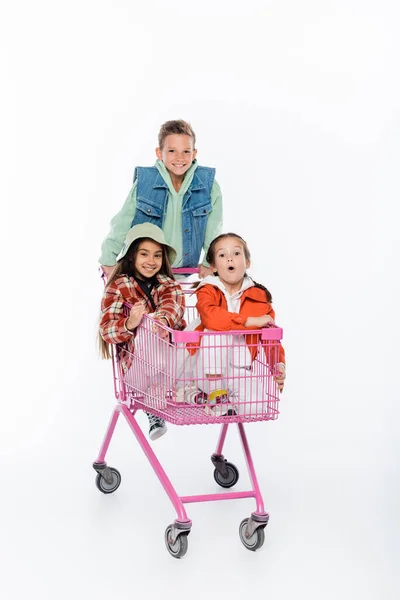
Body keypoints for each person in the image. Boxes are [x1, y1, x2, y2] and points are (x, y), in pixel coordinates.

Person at [99, 119, 223, 279]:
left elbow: (213, 229)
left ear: (194, 154)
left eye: (186, 151)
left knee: (173, 303)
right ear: (159, 153)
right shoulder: (145, 182)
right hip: (144, 272)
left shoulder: (208, 184)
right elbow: (123, 222)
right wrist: (108, 259)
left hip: (181, 273)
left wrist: (208, 262)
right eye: (172, 151)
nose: (180, 158)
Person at [99, 223, 186, 440]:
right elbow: (107, 330)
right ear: (131, 257)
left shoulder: (169, 283)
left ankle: (188, 393)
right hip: (138, 369)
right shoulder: (119, 286)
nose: (151, 261)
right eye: (144, 254)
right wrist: (130, 323)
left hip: (171, 363)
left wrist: (163, 322)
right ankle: (153, 402)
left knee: (194, 331)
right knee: (147, 325)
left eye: (157, 255)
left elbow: (173, 305)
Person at [188, 233, 286, 416]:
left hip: (239, 370)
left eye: (236, 253)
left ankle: (213, 399)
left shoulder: (259, 297)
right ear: (214, 267)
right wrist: (250, 321)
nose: (230, 258)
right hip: (207, 370)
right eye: (222, 255)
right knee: (218, 330)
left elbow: (270, 337)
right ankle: (214, 393)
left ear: (247, 263)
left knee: (255, 409)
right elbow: (211, 318)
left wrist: (277, 365)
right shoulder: (207, 290)